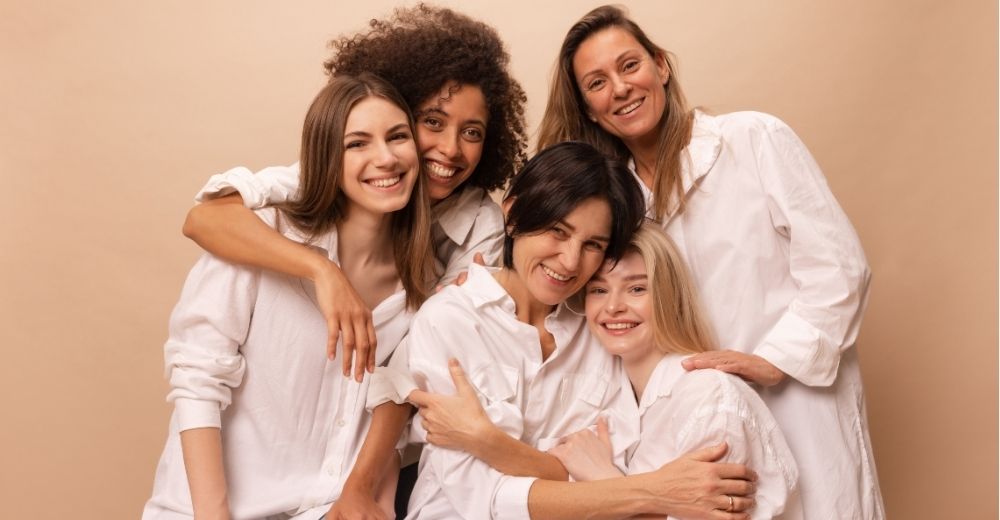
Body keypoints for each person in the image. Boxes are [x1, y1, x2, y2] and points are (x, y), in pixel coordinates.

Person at [537, 5, 884, 517]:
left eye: (629, 66)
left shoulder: (753, 139)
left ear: (661, 65)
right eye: (597, 82)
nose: (620, 88)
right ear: (588, 108)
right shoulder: (614, 201)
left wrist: (773, 361)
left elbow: (839, 267)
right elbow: (573, 278)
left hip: (798, 400)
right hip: (695, 416)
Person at [381, 141, 758, 520]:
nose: (570, 261)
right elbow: (483, 497)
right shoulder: (449, 321)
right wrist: (653, 492)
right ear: (512, 216)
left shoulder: (599, 327)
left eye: (593, 244)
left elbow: (616, 465)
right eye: (557, 232)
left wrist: (489, 441)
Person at [182, 3, 527, 381]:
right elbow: (205, 218)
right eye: (432, 122)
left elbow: (437, 346)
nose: (451, 148)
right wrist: (322, 269)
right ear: (398, 116)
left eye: (472, 132)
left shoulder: (480, 226)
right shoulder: (345, 171)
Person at [142, 73, 433, 520]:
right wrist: (321, 269)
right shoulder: (258, 235)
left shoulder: (420, 287)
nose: (386, 157)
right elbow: (197, 381)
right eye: (357, 143)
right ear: (326, 159)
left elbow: (392, 415)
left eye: (398, 137)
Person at [550, 222, 801, 518]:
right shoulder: (613, 404)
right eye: (599, 289)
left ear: (668, 296)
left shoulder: (708, 396)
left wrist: (602, 479)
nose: (613, 306)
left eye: (637, 288)